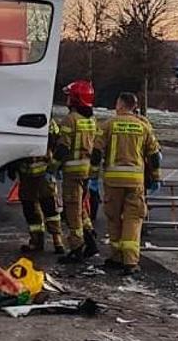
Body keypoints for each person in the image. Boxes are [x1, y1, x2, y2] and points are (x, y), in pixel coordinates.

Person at [92, 92, 160, 276]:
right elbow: (154, 156)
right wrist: (155, 177)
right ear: (134, 107)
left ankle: (116, 257)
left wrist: (93, 177)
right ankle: (130, 261)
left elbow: (96, 153)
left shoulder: (108, 125)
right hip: (135, 181)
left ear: (120, 105)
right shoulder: (143, 126)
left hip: (113, 181)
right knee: (133, 219)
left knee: (114, 218)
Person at [53, 80, 100, 263]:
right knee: (80, 207)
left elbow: (63, 148)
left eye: (69, 96)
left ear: (75, 99)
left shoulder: (70, 119)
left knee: (72, 210)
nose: (67, 99)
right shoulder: (91, 119)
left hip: (72, 171)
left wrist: (52, 167)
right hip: (86, 170)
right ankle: (90, 240)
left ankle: (76, 248)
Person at [14, 147, 65, 255]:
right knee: (31, 209)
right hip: (27, 174)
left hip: (41, 173)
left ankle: (56, 241)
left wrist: (53, 167)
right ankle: (39, 241)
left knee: (49, 208)